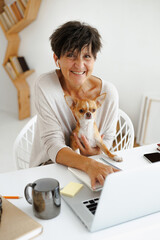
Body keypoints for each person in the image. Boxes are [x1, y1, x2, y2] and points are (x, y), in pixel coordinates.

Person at [30, 21, 119, 189]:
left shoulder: (109, 93)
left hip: (92, 167)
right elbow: (53, 143)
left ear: (94, 59)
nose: (79, 65)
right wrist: (88, 164)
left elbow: (107, 139)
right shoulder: (45, 85)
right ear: (57, 58)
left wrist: (95, 154)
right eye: (71, 55)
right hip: (49, 168)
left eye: (87, 56)